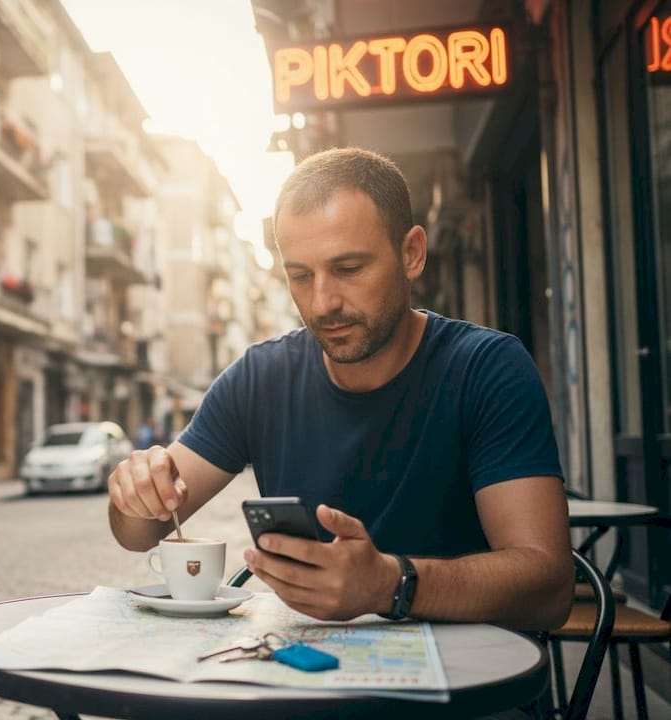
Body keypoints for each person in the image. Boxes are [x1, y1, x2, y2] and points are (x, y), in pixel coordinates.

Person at [108, 147, 572, 632]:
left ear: (411, 253)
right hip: (311, 681)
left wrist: (391, 585)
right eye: (300, 276)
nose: (322, 302)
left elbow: (549, 588)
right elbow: (142, 533)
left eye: (349, 269)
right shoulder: (258, 379)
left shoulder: (487, 368)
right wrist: (133, 494)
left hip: (475, 688)